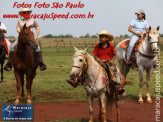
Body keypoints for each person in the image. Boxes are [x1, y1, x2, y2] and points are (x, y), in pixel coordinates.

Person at [93, 30, 124, 95]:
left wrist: (111, 61)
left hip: (109, 63)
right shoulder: (97, 46)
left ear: (106, 39)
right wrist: (99, 60)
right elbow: (95, 56)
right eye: (100, 37)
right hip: (100, 63)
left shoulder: (111, 46)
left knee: (115, 71)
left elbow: (114, 55)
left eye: (102, 37)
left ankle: (119, 85)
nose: (100, 38)